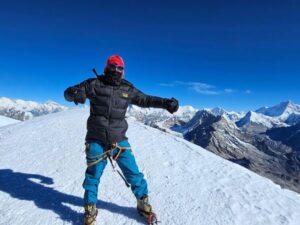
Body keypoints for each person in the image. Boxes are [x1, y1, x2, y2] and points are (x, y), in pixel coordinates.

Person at [64, 55, 179, 225]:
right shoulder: (93, 84)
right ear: (106, 68)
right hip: (96, 140)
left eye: (119, 68)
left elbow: (145, 100)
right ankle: (90, 209)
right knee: (92, 177)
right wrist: (73, 93)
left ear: (123, 71)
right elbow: (67, 93)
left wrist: (165, 103)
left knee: (134, 174)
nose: (116, 70)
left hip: (119, 140)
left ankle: (143, 204)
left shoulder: (127, 89)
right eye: (113, 67)